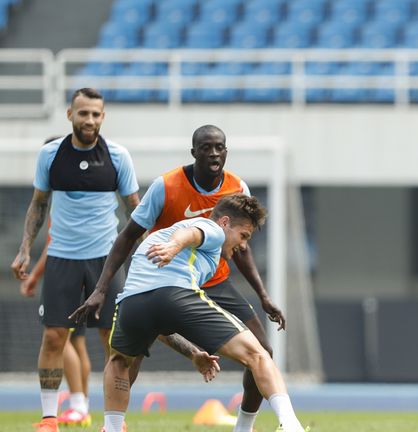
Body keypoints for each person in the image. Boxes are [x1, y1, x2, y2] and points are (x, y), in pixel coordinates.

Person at [72, 124, 286, 432]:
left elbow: (242, 248)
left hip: (213, 279)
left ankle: (244, 426)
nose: (214, 153)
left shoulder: (238, 188)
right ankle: (114, 424)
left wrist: (263, 296)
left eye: (219, 147)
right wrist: (101, 289)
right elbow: (127, 237)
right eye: (206, 147)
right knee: (128, 357)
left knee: (263, 351)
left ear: (226, 152)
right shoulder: (166, 185)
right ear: (194, 152)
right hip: (167, 275)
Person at [10, 88, 141, 432]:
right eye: (83, 113)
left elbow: (135, 211)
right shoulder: (50, 155)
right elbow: (38, 204)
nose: (90, 120)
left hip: (107, 260)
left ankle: (114, 421)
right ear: (70, 115)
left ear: (103, 116)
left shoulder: (118, 156)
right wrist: (25, 248)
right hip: (62, 257)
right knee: (55, 337)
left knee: (114, 341)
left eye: (96, 114)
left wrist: (144, 255)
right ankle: (50, 418)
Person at [21, 244, 93, 427]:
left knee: (60, 338)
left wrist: (35, 275)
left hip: (69, 269)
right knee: (77, 341)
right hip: (87, 268)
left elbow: (54, 242)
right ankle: (82, 407)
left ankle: (78, 406)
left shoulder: (60, 215)